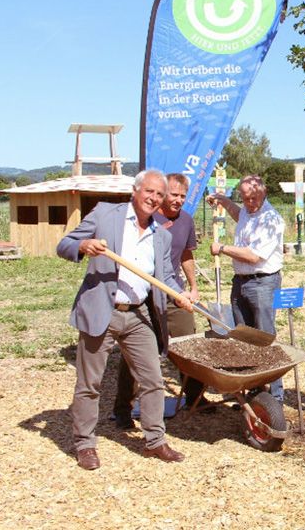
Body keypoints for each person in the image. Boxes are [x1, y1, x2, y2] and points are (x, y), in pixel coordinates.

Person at [56, 169, 193, 470]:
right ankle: (85, 444)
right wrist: (82, 246)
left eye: (160, 195)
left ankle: (155, 441)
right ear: (136, 190)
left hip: (138, 314)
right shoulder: (106, 214)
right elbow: (63, 245)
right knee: (89, 383)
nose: (154, 199)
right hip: (102, 310)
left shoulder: (162, 235)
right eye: (150, 192)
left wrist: (182, 295)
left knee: (153, 380)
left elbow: (166, 278)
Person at [113, 173, 206, 428]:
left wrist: (193, 287)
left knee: (191, 345)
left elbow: (186, 254)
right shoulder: (149, 217)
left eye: (182, 197)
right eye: (173, 195)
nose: (177, 201)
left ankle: (197, 397)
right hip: (145, 295)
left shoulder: (185, 221)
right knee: (135, 353)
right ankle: (123, 408)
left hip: (174, 293)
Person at [206, 174, 285, 401]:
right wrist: (222, 199)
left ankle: (276, 396)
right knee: (244, 338)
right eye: (245, 198)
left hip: (263, 283)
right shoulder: (247, 212)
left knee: (264, 338)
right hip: (240, 282)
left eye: (254, 198)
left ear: (264, 192)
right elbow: (236, 213)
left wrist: (222, 248)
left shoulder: (270, 220)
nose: (250, 202)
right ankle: (254, 388)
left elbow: (253, 256)